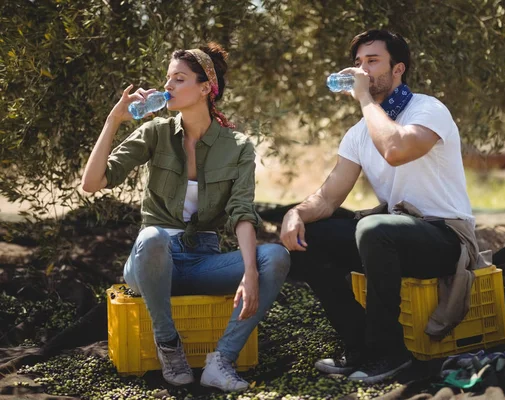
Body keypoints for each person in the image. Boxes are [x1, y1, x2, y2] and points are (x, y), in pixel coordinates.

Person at [82, 43, 290, 392]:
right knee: (152, 239)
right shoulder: (156, 132)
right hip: (152, 263)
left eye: (179, 79)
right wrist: (114, 119)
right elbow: (92, 182)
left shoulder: (237, 146)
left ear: (206, 87)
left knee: (276, 256)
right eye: (168, 79)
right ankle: (169, 344)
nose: (168, 87)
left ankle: (221, 360)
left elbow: (242, 212)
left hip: (202, 262)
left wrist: (251, 272)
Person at [279, 29, 480, 384]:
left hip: (446, 237)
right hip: (393, 236)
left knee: (374, 228)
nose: (362, 70)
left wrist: (364, 100)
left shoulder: (428, 109)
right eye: (358, 63)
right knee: (311, 238)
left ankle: (389, 352)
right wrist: (295, 213)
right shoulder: (359, 132)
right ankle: (359, 346)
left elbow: (396, 150)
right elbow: (328, 197)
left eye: (373, 61)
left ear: (398, 69)